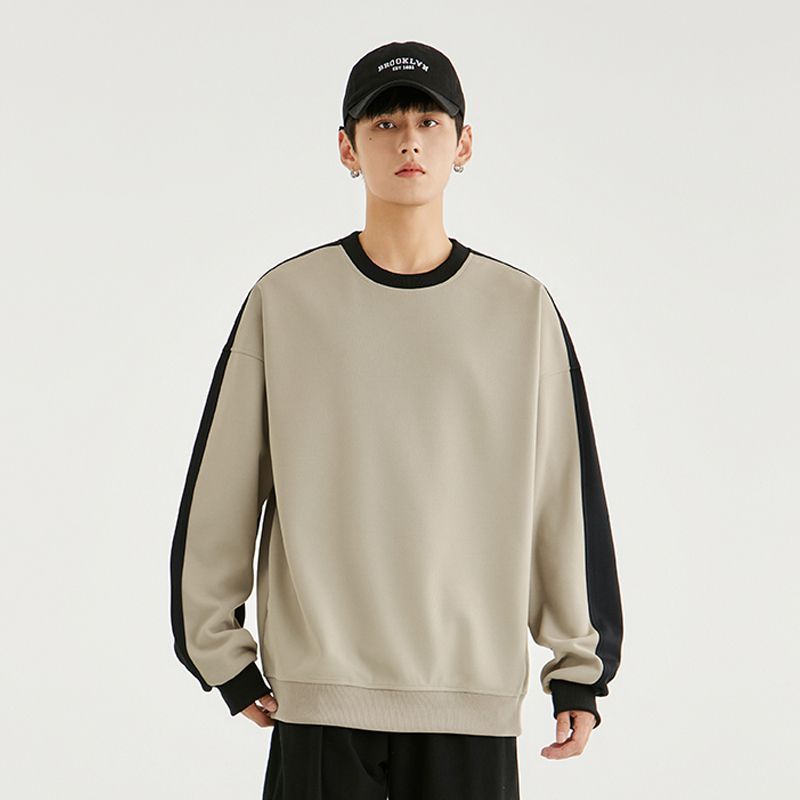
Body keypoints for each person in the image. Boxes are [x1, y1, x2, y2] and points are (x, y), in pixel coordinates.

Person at [169, 40, 624, 799]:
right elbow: (222, 489)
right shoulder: (286, 302)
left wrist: (579, 669)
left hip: (468, 696)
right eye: (383, 124)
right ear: (347, 149)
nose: (408, 141)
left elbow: (562, 498)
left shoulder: (520, 311)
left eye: (428, 121)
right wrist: (221, 654)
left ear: (463, 143)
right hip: (322, 694)